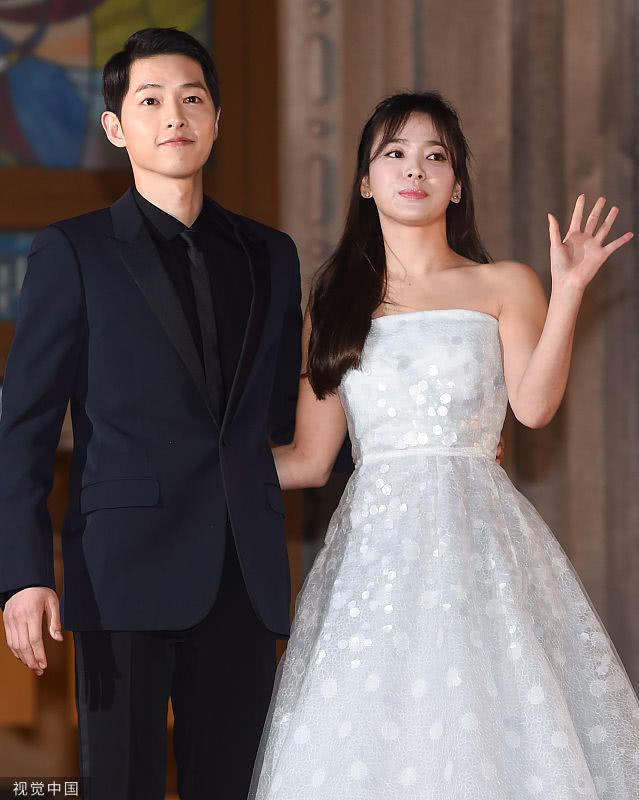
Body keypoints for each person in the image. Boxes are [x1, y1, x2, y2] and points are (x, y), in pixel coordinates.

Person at [248, 92, 639, 799]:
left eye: (436, 156)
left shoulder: (504, 283)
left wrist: (570, 290)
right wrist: (192, 467)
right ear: (365, 182)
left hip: (479, 541)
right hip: (375, 558)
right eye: (394, 153)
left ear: (456, 184)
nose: (414, 169)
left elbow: (534, 407)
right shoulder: (334, 304)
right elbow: (307, 460)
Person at [0, 27, 303, 800]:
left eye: (192, 98)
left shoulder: (271, 255)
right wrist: (24, 576)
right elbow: (24, 429)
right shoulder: (74, 251)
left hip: (242, 574)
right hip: (120, 570)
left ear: (216, 120)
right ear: (115, 128)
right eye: (151, 100)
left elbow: (282, 417)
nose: (175, 115)